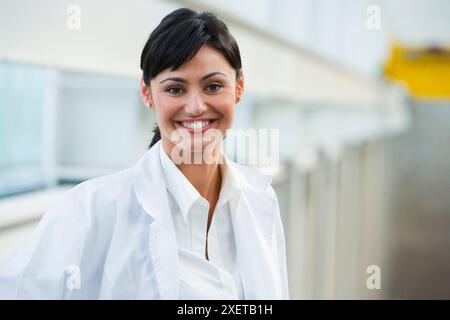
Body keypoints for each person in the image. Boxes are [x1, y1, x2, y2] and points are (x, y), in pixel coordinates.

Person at [0, 7, 289, 299]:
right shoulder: (92, 210)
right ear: (146, 92)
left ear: (238, 87)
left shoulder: (259, 200)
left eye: (213, 86)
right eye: (175, 89)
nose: (196, 106)